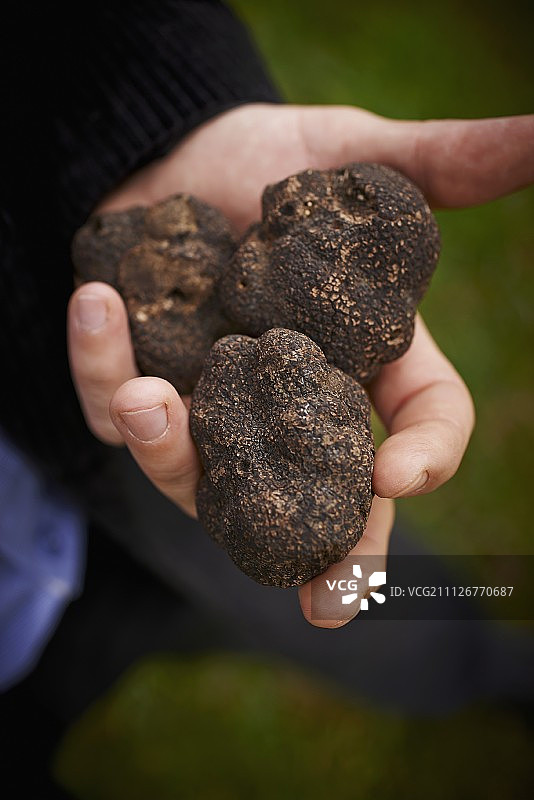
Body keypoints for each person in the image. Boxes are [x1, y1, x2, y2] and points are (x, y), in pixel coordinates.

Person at [1, 1, 533, 795]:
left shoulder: (262, 328)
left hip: (95, 479)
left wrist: (134, 105)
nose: (282, 209)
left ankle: (489, 668)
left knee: (384, 616)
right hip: (21, 644)